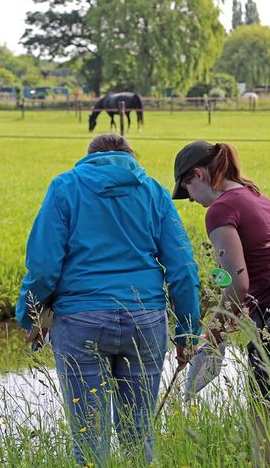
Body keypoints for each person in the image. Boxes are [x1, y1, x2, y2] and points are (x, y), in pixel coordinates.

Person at [16, 133, 200, 466]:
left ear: (90, 156)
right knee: (138, 430)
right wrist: (187, 333)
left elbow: (43, 266)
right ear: (130, 157)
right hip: (145, 317)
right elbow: (183, 268)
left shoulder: (65, 187)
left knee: (89, 436)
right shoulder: (153, 191)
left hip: (79, 319)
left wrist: (28, 315)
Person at [172, 140, 270, 464]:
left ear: (198, 174)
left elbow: (238, 281)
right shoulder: (257, 197)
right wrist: (233, 305)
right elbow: (239, 276)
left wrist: (211, 335)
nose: (192, 201)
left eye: (188, 191)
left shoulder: (221, 208)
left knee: (266, 414)